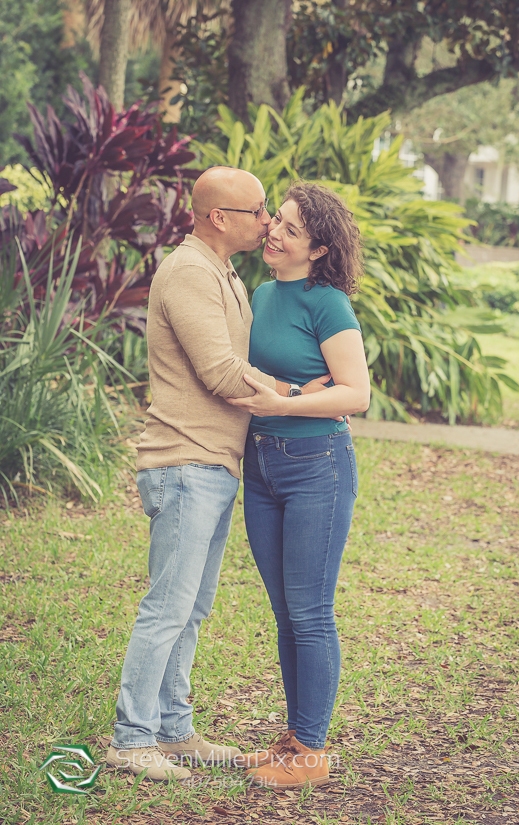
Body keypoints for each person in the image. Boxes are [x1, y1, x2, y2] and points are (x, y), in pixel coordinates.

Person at [106, 168, 328, 782]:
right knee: (168, 607)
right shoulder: (189, 273)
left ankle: (174, 730)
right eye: (258, 211)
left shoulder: (225, 272)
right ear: (217, 218)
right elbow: (221, 372)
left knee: (194, 607)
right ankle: (131, 740)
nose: (267, 222)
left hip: (213, 463)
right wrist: (296, 393)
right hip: (184, 461)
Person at [226, 182, 370, 789]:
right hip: (260, 466)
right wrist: (292, 394)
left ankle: (311, 751)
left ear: (316, 249)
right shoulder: (259, 292)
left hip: (317, 465)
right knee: (286, 612)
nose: (272, 232)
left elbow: (356, 394)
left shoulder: (327, 302)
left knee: (310, 612)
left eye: (287, 228)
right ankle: (294, 739)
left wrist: (290, 397)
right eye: (273, 221)